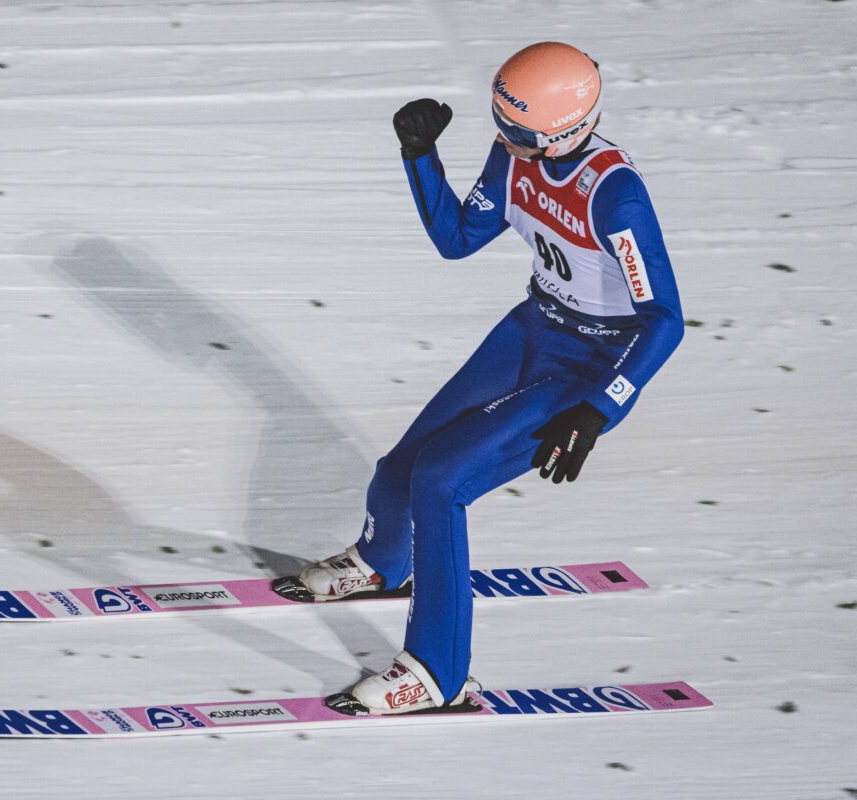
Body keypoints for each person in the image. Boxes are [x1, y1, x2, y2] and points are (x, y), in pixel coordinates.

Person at [272, 41, 684, 715]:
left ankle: (439, 672)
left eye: (519, 133)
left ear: (566, 133)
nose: (506, 142)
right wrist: (419, 156)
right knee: (400, 466)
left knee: (441, 481)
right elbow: (457, 237)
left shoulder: (615, 197)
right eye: (500, 124)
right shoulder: (519, 153)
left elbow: (664, 319)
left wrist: (598, 410)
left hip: (586, 367)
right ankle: (382, 562)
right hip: (531, 329)